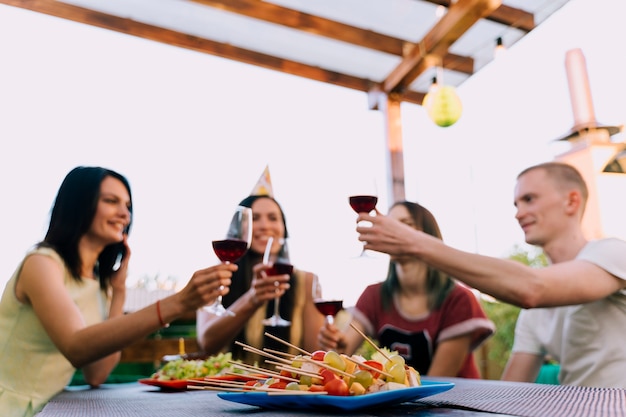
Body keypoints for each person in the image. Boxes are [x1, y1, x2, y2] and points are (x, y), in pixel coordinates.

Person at [355, 162, 626, 388]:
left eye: (529, 199)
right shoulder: (534, 313)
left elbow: (532, 289)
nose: (519, 213)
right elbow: (512, 390)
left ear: (571, 201)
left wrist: (415, 243)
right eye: (516, 204)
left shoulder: (613, 253)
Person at [0, 166, 236, 417]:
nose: (125, 214)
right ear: (79, 205)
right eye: (111, 201)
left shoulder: (99, 282)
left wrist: (119, 292)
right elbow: (75, 346)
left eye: (128, 205)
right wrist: (176, 304)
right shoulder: (41, 263)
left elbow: (97, 373)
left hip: (51, 408)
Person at [318, 201, 494, 378]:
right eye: (390, 225)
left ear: (427, 235)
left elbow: (437, 381)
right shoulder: (374, 295)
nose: (393, 231)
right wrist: (337, 345)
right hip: (402, 403)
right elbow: (344, 349)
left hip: (454, 403)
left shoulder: (459, 299)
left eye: (405, 224)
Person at [197, 194, 325, 362]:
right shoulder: (218, 277)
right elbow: (207, 343)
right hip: (232, 384)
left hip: (285, 386)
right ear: (238, 228)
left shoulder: (306, 282)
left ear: (283, 229)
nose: (264, 226)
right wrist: (252, 298)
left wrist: (332, 345)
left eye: (273, 218)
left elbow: (314, 353)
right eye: (255, 218)